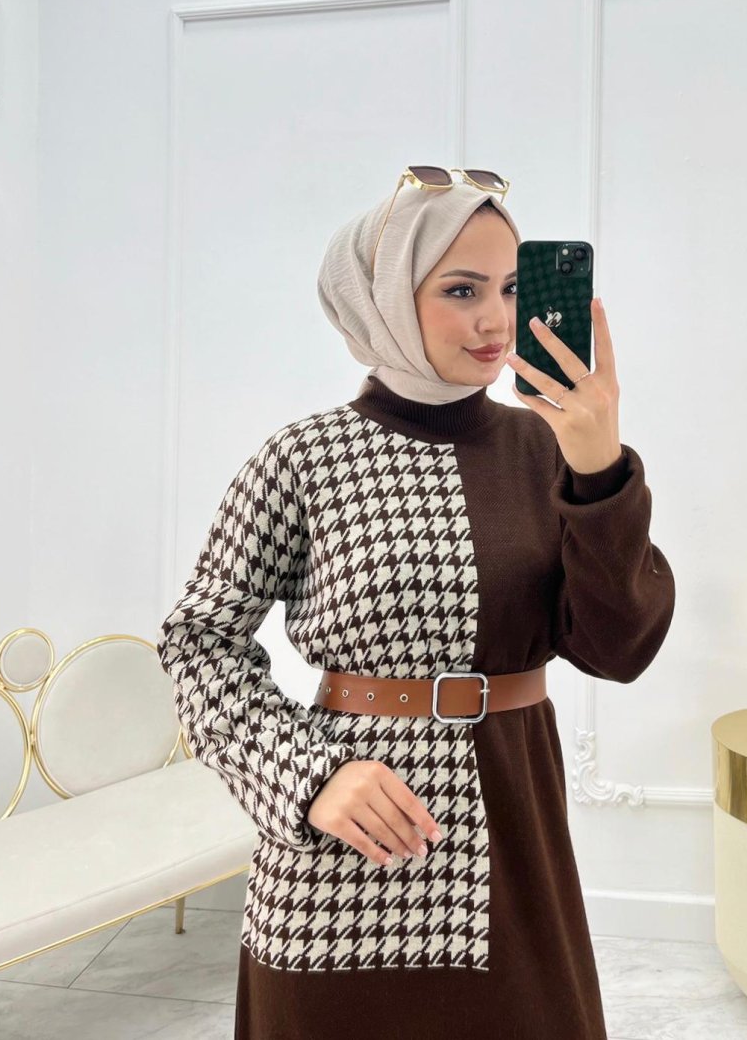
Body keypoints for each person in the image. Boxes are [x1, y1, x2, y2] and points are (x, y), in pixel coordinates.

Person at [156, 169, 677, 1040]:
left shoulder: (546, 449)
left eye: (510, 289)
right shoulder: (303, 458)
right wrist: (309, 778)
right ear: (386, 300)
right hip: (341, 847)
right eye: (461, 290)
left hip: (510, 830)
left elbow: (619, 649)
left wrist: (599, 470)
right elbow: (198, 642)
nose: (495, 321)